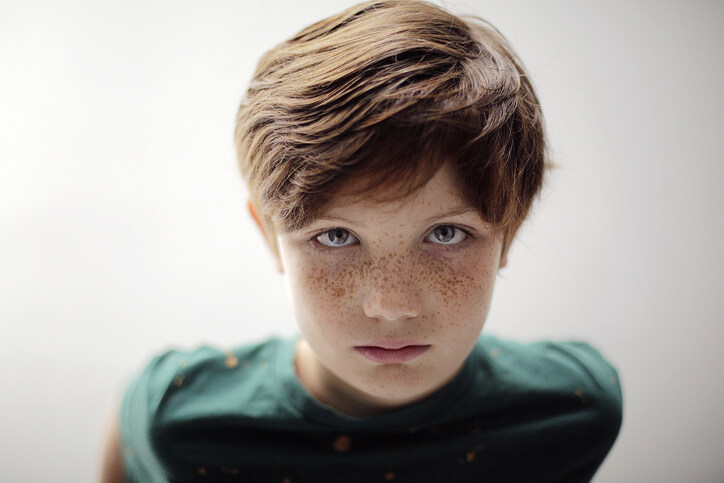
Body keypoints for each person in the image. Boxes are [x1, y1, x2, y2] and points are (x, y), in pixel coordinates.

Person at [101, 1, 623, 481]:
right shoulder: (182, 421)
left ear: (509, 231)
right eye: (335, 235)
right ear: (268, 236)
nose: (391, 306)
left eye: (446, 233)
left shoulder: (571, 412)